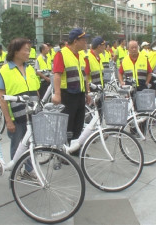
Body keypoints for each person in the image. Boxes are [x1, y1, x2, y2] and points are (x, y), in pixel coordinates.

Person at [0, 38, 40, 169]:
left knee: (31, 144)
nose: (29, 53)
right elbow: (2, 97)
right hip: (16, 116)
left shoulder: (30, 69)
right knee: (17, 145)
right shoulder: (4, 71)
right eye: (26, 50)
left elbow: (36, 91)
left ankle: (28, 169)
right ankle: (16, 171)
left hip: (32, 114)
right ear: (16, 52)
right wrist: (8, 120)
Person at [52, 28, 91, 156]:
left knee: (78, 124)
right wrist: (57, 94)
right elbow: (57, 75)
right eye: (83, 40)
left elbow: (84, 75)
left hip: (79, 94)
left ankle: (75, 149)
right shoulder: (61, 54)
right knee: (67, 125)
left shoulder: (80, 55)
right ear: (76, 41)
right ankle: (64, 153)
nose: (86, 43)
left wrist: (87, 93)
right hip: (67, 94)